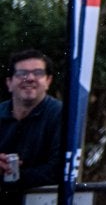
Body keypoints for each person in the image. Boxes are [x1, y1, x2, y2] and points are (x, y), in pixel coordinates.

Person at [0, 50, 63, 201]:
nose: (29, 78)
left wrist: (11, 178)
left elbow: (58, 169)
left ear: (48, 81)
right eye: (22, 73)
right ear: (9, 83)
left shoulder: (61, 115)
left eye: (38, 73)